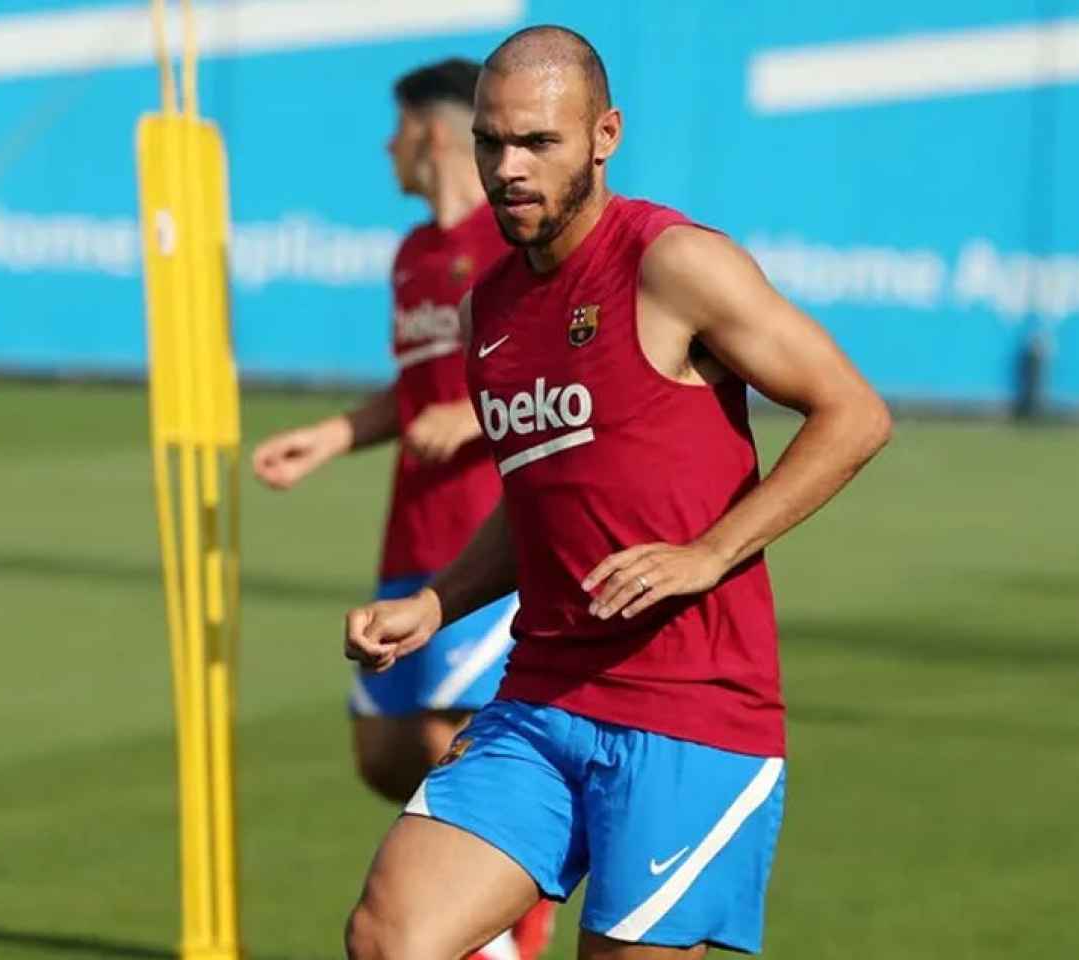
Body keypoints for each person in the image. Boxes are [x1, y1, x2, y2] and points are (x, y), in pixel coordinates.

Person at [340, 25, 893, 960]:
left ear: (604, 136)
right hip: (541, 695)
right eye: (490, 141)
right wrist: (438, 602)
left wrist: (710, 551)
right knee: (391, 938)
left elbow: (853, 413)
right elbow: (538, 499)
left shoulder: (672, 264)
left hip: (692, 715)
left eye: (538, 143)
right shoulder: (490, 309)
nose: (508, 167)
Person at [251, 57, 552, 960]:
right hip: (407, 529)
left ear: (431, 130)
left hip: (484, 536)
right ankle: (494, 893)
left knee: (446, 737)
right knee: (382, 749)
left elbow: (554, 375)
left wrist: (472, 416)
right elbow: (414, 389)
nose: (387, 149)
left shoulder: (515, 248)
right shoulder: (415, 255)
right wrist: (335, 437)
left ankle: (501, 926)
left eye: (395, 130)